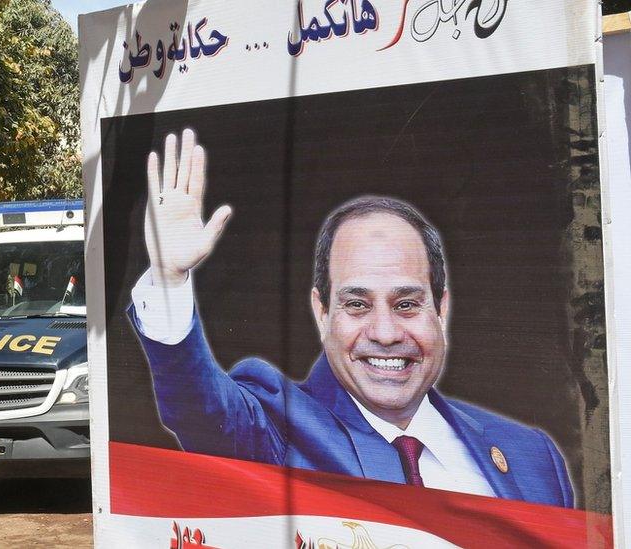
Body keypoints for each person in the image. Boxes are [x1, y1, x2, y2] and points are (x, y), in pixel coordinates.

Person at [129, 129, 574, 507]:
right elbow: (201, 406)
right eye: (357, 304)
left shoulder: (534, 458)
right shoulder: (280, 427)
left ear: (442, 309)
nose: (384, 333)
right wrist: (169, 279)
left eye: (406, 304)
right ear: (322, 313)